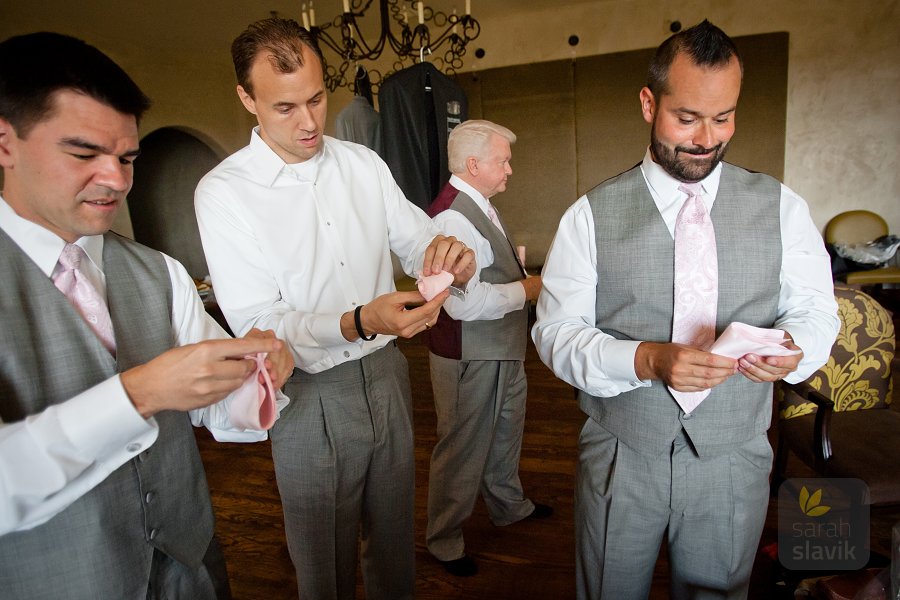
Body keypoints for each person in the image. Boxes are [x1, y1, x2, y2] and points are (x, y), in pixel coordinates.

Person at [532, 20, 839, 600]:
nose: (705, 138)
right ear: (649, 104)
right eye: (687, 118)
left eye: (723, 118)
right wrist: (645, 359)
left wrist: (793, 350)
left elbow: (817, 311)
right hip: (624, 451)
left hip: (734, 454)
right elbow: (555, 334)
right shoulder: (590, 214)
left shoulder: (782, 207)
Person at [0, 32, 295, 600]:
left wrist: (256, 376)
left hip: (190, 566)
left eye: (127, 158)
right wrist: (137, 396)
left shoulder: (160, 272)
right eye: (84, 154)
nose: (115, 179)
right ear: (6, 143)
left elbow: (224, 415)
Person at [194, 17, 475, 600]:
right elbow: (255, 324)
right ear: (247, 98)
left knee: (395, 545)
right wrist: (357, 322)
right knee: (323, 563)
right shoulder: (223, 193)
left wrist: (444, 252)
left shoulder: (362, 164)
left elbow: (416, 238)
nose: (308, 122)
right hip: (306, 395)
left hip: (389, 377)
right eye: (285, 107)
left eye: (318, 99)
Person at [424, 119, 550, 577]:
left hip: (499, 347)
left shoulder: (478, 205)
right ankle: (444, 538)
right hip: (469, 352)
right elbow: (462, 305)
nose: (510, 170)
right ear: (474, 164)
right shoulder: (453, 217)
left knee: (504, 433)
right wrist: (528, 289)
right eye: (503, 160)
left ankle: (507, 505)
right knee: (461, 446)